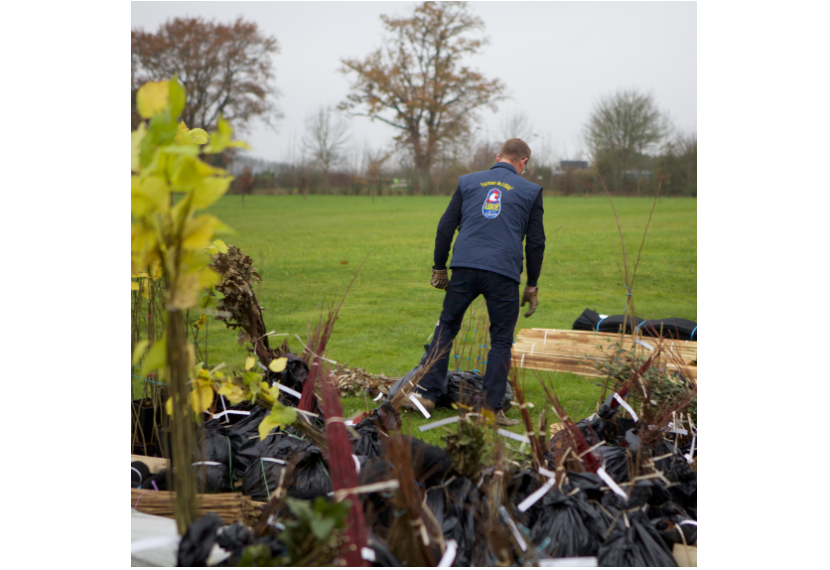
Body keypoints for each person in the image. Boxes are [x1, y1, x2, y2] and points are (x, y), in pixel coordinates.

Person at [402, 139, 546, 426]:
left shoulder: (468, 182)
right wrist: (531, 284)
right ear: (523, 163)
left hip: (464, 267)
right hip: (504, 272)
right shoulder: (531, 190)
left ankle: (426, 394)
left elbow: (445, 227)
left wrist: (440, 267)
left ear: (497, 157)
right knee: (501, 339)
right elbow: (536, 242)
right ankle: (490, 410)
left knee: (447, 327)